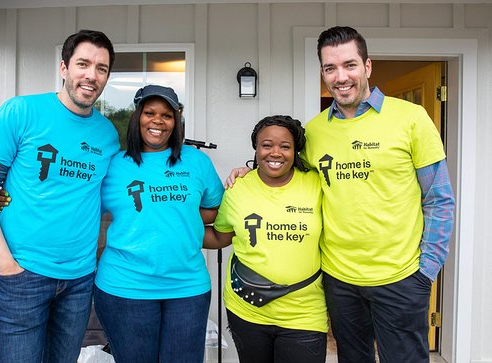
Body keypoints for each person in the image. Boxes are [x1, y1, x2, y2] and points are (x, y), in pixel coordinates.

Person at [228, 26, 455, 363]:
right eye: (330, 68)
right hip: (339, 280)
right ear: (322, 72)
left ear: (367, 66)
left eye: (349, 65)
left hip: (401, 277)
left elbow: (439, 198)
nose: (340, 77)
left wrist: (426, 271)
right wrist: (249, 171)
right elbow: (283, 167)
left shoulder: (410, 118)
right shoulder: (315, 131)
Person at [0, 30, 119, 362]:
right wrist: (6, 264)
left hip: (79, 279)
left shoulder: (107, 135)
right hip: (22, 275)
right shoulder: (21, 112)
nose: (91, 75)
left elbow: (113, 195)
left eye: (102, 68)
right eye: (83, 64)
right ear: (64, 67)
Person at [92, 85, 225, 363]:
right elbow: (78, 207)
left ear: (176, 122)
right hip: (124, 287)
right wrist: (10, 197)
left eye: (167, 115)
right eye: (149, 112)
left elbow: (215, 208)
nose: (157, 121)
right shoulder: (114, 165)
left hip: (187, 289)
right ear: (137, 116)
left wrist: (181, 218)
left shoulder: (197, 161)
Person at [204, 115, 328, 363]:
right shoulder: (238, 188)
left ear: (296, 151)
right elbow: (220, 236)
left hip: (304, 313)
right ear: (256, 148)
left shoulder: (317, 184)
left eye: (285, 146)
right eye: (266, 145)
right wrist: (172, 230)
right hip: (248, 310)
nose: (275, 152)